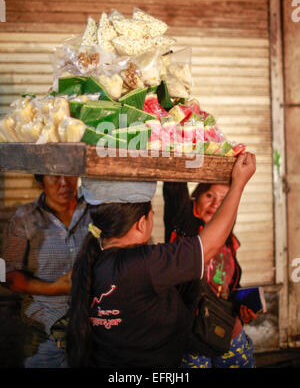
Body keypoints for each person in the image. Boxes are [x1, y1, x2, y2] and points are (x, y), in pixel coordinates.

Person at [66, 151, 256, 368]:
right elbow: (208, 246)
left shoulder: (95, 258)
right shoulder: (143, 264)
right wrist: (238, 184)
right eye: (152, 214)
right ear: (141, 223)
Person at [163, 180, 257, 368]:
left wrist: (245, 309)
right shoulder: (183, 228)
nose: (215, 204)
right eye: (209, 196)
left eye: (223, 200)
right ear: (195, 197)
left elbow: (230, 286)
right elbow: (174, 188)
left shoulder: (229, 239)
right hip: (193, 338)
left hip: (229, 334)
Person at [1, 174, 92, 368]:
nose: (63, 183)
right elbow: (5, 275)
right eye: (53, 177)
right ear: (41, 181)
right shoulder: (24, 217)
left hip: (92, 326)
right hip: (42, 330)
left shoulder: (94, 212)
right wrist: (54, 288)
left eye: (68, 174)